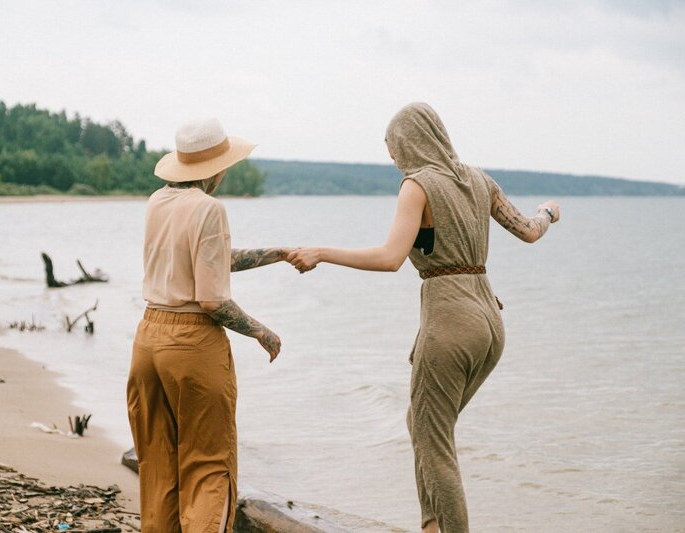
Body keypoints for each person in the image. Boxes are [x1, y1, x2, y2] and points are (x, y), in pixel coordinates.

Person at [288, 102, 560, 533]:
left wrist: (322, 253)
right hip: (490, 321)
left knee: (434, 443)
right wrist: (548, 211)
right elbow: (528, 230)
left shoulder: (417, 186)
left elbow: (390, 257)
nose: (393, 158)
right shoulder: (478, 179)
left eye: (393, 147)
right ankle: (430, 525)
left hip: (450, 320)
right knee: (423, 422)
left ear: (410, 142)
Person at [127, 118, 290, 533]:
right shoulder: (210, 208)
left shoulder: (157, 201)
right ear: (217, 168)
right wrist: (260, 331)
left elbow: (206, 257)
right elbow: (213, 299)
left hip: (148, 338)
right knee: (208, 466)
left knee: (158, 463)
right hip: (191, 343)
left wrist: (275, 254)